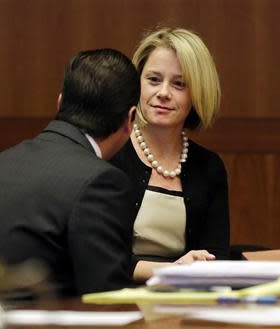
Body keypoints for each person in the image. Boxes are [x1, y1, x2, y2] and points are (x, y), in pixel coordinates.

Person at [0, 49, 140, 295]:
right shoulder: (101, 182)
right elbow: (107, 299)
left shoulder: (4, 160)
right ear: (130, 119)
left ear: (59, 102)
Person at [111, 27, 230, 282]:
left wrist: (195, 268)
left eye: (179, 84)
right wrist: (172, 270)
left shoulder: (209, 166)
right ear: (136, 84)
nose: (163, 93)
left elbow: (217, 254)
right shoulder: (110, 155)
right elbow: (102, 256)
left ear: (197, 94)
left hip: (188, 300)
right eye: (153, 80)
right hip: (118, 297)